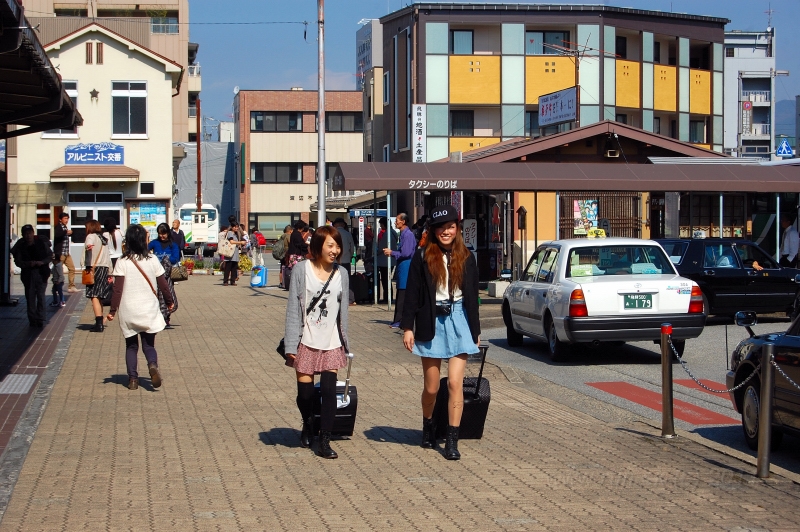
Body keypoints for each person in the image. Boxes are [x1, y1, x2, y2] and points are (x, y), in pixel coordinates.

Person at [401, 205, 481, 460]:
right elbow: (412, 293)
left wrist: (475, 330)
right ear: (434, 230)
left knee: (456, 383)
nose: (446, 231)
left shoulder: (467, 257)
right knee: (432, 387)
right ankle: (427, 425)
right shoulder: (423, 255)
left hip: (459, 318)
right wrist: (407, 327)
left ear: (457, 229)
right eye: (441, 227)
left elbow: (473, 296)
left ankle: (451, 440)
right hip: (431, 321)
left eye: (450, 226)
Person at [284, 225, 350, 459]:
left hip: (331, 340)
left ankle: (324, 440)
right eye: (330, 245)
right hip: (306, 340)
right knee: (306, 395)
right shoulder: (302, 270)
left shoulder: (342, 273)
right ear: (318, 246)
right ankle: (307, 421)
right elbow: (293, 308)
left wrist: (345, 342)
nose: (335, 250)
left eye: (337, 245)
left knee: (330, 391)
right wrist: (291, 345)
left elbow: (343, 312)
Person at [106, 224, 174, 391]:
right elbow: (163, 285)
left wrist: (112, 310)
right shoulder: (152, 260)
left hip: (129, 310)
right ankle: (152, 365)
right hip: (148, 309)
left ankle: (133, 380)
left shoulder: (122, 262)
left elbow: (118, 289)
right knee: (149, 345)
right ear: (144, 240)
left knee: (131, 346)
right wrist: (169, 301)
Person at [11, 224, 51, 327]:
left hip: (41, 273)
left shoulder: (41, 243)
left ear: (33, 233)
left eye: (30, 233)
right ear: (23, 235)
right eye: (26, 234)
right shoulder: (21, 246)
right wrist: (29, 264)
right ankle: (32, 319)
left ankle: (40, 318)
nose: (28, 236)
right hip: (28, 274)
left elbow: (50, 256)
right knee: (30, 296)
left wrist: (42, 262)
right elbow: (18, 261)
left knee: (41, 296)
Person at [383, 213, 416, 328]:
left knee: (403, 294)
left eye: (397, 220)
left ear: (403, 222)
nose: (395, 222)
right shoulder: (402, 234)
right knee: (401, 293)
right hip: (402, 267)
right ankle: (398, 320)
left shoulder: (408, 235)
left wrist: (392, 252)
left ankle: (400, 320)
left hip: (406, 267)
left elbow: (406, 253)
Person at [148, 223, 181, 327]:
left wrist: (165, 260)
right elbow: (144, 250)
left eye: (164, 233)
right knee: (156, 296)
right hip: (154, 274)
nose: (162, 236)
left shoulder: (173, 245)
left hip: (167, 274)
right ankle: (158, 318)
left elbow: (176, 257)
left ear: (168, 233)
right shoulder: (155, 243)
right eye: (160, 234)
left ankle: (166, 317)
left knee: (167, 295)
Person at [84, 219, 113, 333]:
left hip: (94, 268)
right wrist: (110, 272)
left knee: (94, 295)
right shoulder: (103, 239)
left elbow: (88, 243)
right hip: (104, 268)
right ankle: (99, 322)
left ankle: (99, 323)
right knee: (99, 296)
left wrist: (88, 246)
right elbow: (108, 257)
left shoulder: (90, 236)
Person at [53, 212, 78, 292]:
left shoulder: (65, 227)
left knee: (72, 268)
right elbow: (58, 235)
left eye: (67, 218)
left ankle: (71, 286)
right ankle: (56, 287)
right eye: (65, 218)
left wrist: (70, 233)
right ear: (60, 219)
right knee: (58, 271)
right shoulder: (58, 227)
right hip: (60, 253)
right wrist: (66, 232)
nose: (66, 220)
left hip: (66, 253)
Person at [376, 218, 396, 304]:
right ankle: (388, 297)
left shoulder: (387, 234)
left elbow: (381, 248)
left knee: (385, 280)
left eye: (381, 224)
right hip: (391, 259)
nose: (380, 226)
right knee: (387, 279)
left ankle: (387, 297)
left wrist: (376, 251)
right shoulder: (393, 232)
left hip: (385, 260)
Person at [285, 220, 310, 289]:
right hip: (297, 255)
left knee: (295, 270)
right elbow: (300, 244)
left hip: (293, 255)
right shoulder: (297, 234)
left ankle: (296, 285)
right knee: (299, 270)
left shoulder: (294, 233)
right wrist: (306, 245)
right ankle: (298, 285)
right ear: (301, 227)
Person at [222, 222, 247, 286]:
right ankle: (225, 281)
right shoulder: (230, 233)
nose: (236, 228)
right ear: (232, 227)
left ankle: (233, 281)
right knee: (228, 268)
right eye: (235, 227)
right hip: (230, 253)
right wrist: (240, 242)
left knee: (234, 268)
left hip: (235, 253)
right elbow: (231, 241)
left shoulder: (236, 234)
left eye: (237, 227)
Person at [279, 224, 293, 289]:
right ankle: (286, 283)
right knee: (287, 268)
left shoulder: (282, 236)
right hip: (287, 254)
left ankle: (281, 282)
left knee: (282, 268)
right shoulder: (288, 236)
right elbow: (291, 243)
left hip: (282, 253)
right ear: (290, 231)